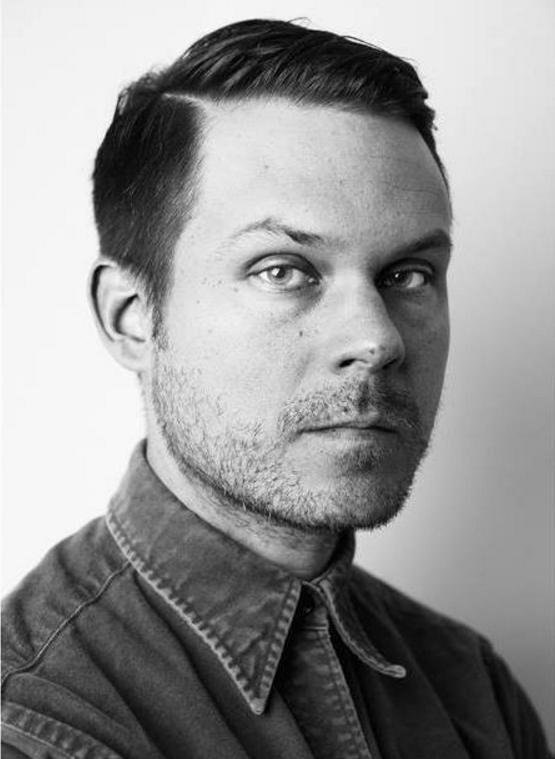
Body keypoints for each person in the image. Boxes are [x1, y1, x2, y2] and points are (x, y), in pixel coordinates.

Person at [1, 18, 551, 759]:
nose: (377, 340)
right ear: (130, 317)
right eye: (282, 270)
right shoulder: (36, 724)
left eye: (408, 274)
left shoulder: (473, 689)